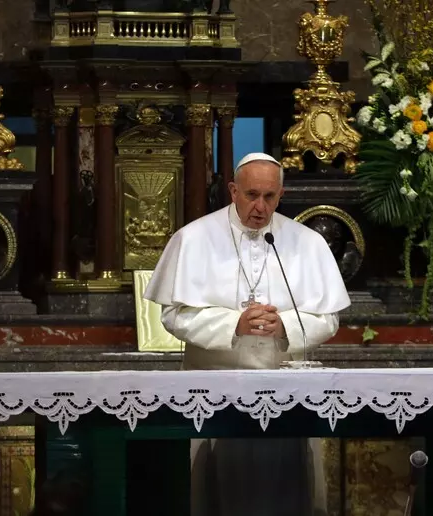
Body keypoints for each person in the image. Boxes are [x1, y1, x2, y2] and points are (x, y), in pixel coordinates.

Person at [144, 152, 350, 516]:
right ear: (233, 190)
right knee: (212, 494)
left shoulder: (307, 242)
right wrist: (233, 325)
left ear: (281, 194)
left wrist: (285, 325)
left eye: (270, 197)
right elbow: (173, 315)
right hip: (212, 390)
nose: (260, 207)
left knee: (288, 493)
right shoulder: (193, 238)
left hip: (287, 394)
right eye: (251, 195)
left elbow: (329, 317)